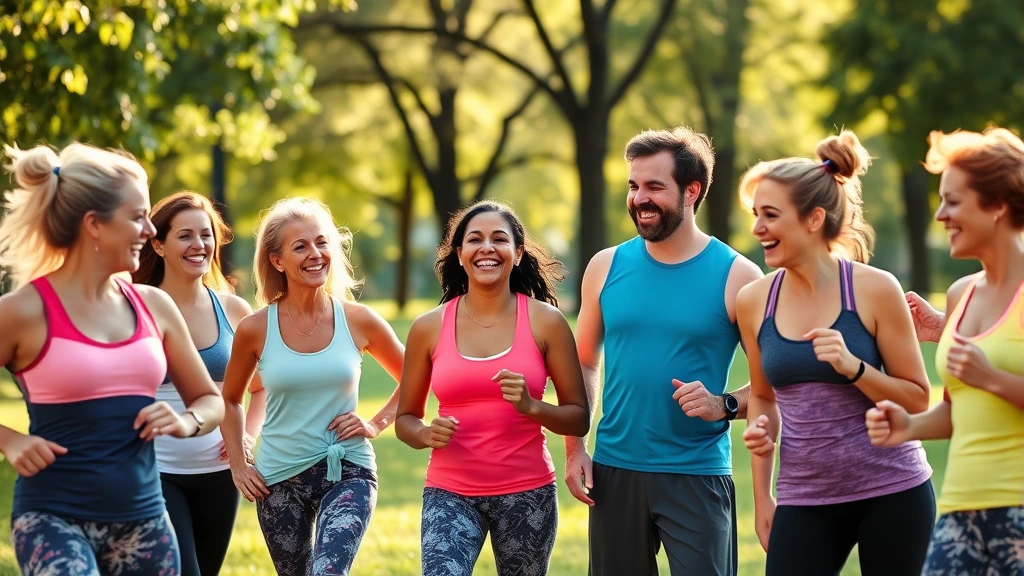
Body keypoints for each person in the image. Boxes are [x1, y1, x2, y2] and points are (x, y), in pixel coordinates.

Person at [0, 143, 224, 575]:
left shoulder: (154, 306)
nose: (150, 232)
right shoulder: (23, 310)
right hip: (52, 518)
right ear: (94, 226)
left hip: (145, 521)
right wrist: (11, 441)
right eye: (138, 217)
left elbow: (209, 400)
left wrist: (186, 422)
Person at [564, 127, 763, 575]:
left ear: (692, 190)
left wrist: (723, 404)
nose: (639, 198)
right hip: (614, 472)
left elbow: (776, 384)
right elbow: (583, 363)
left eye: (655, 187)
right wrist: (576, 448)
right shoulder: (604, 266)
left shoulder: (740, 276)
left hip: (698, 474)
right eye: (634, 186)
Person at [735, 130, 935, 575]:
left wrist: (854, 367)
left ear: (813, 219)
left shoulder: (874, 289)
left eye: (770, 215)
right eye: (755, 215)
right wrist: (763, 493)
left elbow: (918, 398)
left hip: (892, 489)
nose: (757, 229)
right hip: (803, 498)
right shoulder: (753, 301)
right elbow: (764, 398)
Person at [396, 200, 589, 576]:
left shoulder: (546, 322)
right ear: (460, 253)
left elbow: (578, 418)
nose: (487, 248)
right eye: (475, 239)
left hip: (527, 491)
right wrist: (424, 433)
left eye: (499, 239)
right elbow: (405, 418)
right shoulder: (428, 327)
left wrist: (533, 406)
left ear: (517, 254)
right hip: (449, 491)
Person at [866, 127, 1024, 575]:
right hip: (960, 512)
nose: (939, 216)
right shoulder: (961, 295)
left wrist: (991, 377)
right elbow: (960, 411)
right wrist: (908, 425)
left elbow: (985, 384)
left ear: (997, 205)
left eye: (953, 202)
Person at [219, 196, 404, 576]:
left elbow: (417, 375)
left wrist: (376, 423)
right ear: (277, 261)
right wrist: (239, 463)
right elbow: (231, 400)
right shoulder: (255, 328)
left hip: (347, 467)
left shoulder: (358, 320)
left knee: (329, 571)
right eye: (300, 246)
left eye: (321, 242)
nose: (315, 253)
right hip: (277, 479)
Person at [132, 191, 264, 576]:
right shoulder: (134, 308)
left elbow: (261, 389)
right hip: (153, 471)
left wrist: (246, 438)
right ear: (157, 244)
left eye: (206, 235)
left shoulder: (234, 310)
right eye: (185, 235)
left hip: (219, 475)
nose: (199, 245)